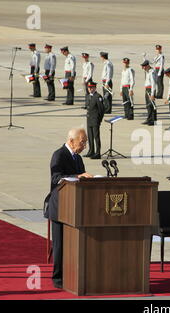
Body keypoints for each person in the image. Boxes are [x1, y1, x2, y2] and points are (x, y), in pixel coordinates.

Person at [44, 128, 93, 288]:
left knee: (74, 244)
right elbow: (56, 177)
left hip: (74, 207)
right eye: (82, 142)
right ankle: (58, 279)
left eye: (85, 142)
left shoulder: (77, 158)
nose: (84, 145)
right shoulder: (59, 155)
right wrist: (78, 177)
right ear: (71, 141)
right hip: (60, 206)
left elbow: (81, 176)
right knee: (60, 244)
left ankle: (73, 274)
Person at [84, 82, 105, 159]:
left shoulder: (98, 97)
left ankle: (98, 152)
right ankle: (91, 151)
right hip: (89, 119)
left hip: (95, 120)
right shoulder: (88, 96)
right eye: (89, 87)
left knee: (96, 137)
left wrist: (99, 120)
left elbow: (101, 110)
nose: (90, 89)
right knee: (90, 136)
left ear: (95, 88)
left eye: (91, 87)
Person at [141, 60, 157, 126]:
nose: (143, 68)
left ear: (148, 66)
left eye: (144, 66)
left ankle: (152, 120)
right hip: (148, 89)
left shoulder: (152, 72)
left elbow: (153, 84)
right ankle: (149, 119)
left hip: (150, 89)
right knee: (148, 105)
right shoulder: (148, 71)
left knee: (151, 105)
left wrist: (152, 94)